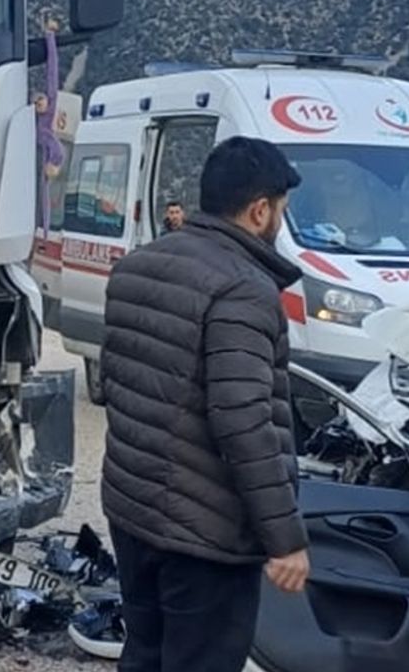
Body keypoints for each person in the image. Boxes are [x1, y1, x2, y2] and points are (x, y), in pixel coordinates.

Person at [100, 136, 310, 672]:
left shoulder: (138, 265)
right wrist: (285, 540)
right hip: (206, 536)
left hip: (134, 511)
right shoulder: (244, 289)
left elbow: (115, 385)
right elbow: (243, 422)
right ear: (260, 210)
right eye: (281, 209)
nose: (280, 221)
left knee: (144, 656)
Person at [34, 19, 64, 232]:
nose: (40, 104)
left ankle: (44, 229)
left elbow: (52, 70)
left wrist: (50, 37)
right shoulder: (31, 121)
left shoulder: (50, 106)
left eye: (42, 100)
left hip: (42, 164)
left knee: (43, 194)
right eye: (37, 102)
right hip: (31, 162)